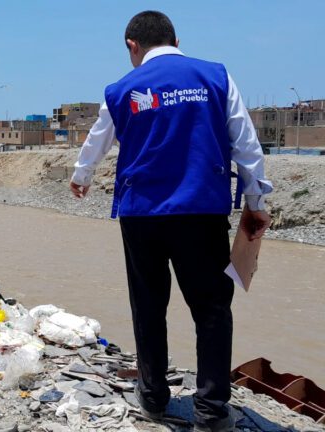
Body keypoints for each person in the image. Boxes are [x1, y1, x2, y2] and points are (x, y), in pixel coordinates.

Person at [69, 10, 273, 432]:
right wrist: (255, 199)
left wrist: (81, 176)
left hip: (142, 214)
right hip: (201, 210)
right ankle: (213, 412)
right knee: (212, 311)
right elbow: (245, 140)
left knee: (148, 306)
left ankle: (153, 398)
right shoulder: (215, 77)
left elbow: (98, 137)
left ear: (132, 46)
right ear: (176, 39)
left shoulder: (122, 89)